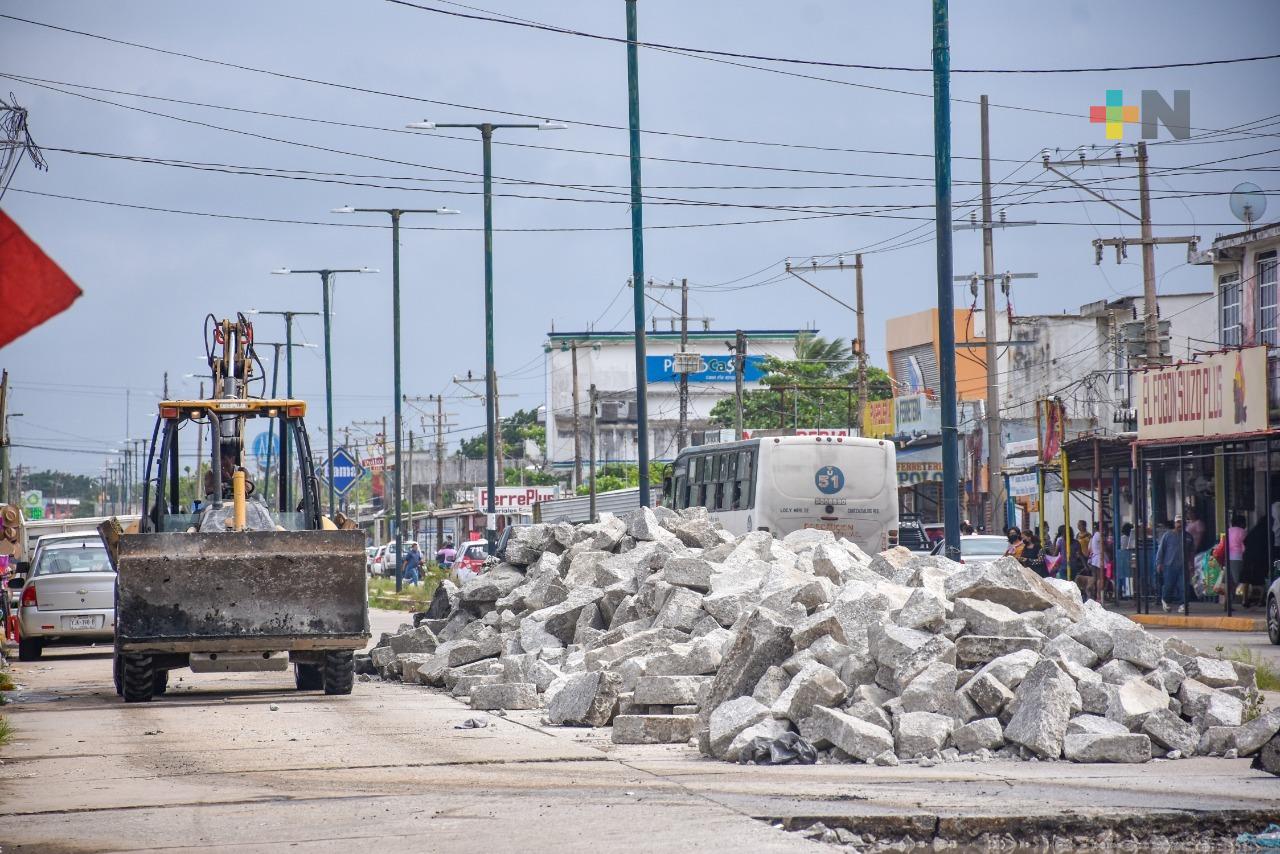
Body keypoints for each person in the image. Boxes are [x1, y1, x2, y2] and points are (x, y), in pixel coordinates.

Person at [1155, 516, 1193, 613]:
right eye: (1178, 522)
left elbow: (1191, 552)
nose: (1180, 524)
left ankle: (1183, 604)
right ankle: (1165, 601)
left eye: (1182, 522)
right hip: (1169, 565)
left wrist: (1191, 564)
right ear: (1175, 523)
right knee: (1168, 585)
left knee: (1183, 586)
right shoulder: (1167, 535)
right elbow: (1161, 550)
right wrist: (1159, 563)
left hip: (1183, 566)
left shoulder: (1188, 536)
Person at [1227, 514, 1247, 598]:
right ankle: (1239, 597)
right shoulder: (1243, 532)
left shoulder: (1228, 530)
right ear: (1242, 523)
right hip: (1238, 557)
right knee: (1238, 579)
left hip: (1228, 557)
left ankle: (1230, 599)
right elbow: (1244, 546)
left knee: (1230, 580)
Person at [1117, 522, 1135, 598]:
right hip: (1127, 559)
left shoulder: (1121, 538)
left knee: (1122, 576)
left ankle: (1121, 592)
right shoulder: (1127, 538)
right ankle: (1128, 593)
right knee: (1128, 576)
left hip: (1122, 559)